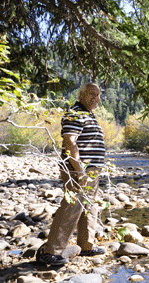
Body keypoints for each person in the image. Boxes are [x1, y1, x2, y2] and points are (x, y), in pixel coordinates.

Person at [36, 83, 106, 265]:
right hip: (78, 169)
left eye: (98, 95)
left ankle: (86, 246)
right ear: (81, 94)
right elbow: (70, 141)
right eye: (92, 94)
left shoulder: (87, 113)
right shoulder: (74, 112)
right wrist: (79, 170)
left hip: (91, 171)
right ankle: (50, 251)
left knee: (89, 206)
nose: (96, 98)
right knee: (71, 206)